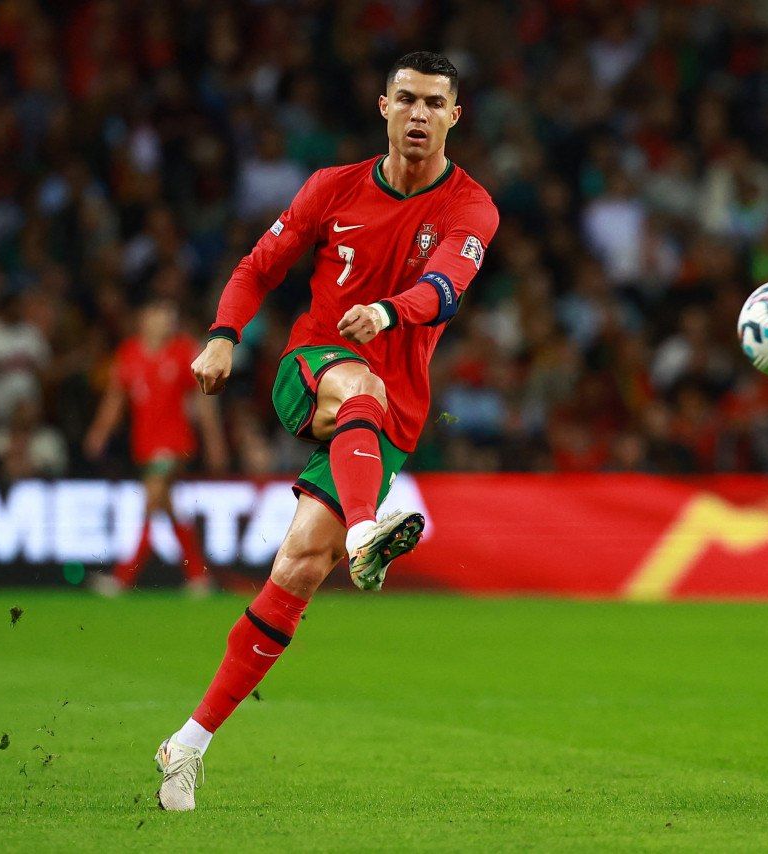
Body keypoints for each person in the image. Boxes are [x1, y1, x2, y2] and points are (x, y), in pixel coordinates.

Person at [153, 52, 499, 810]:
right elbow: (258, 266)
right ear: (382, 106)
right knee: (359, 385)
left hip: (394, 414)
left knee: (299, 567)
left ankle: (188, 744)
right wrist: (222, 335)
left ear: (453, 116)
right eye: (405, 99)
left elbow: (445, 287)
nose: (417, 114)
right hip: (313, 367)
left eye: (432, 103)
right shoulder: (331, 188)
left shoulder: (472, 206)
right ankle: (368, 531)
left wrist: (389, 311)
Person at [84, 296, 228, 596]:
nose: (166, 322)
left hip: (176, 444)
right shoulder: (129, 353)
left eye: (169, 317)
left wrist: (214, 441)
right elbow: (115, 398)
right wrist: (99, 432)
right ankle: (198, 577)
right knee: (166, 508)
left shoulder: (183, 350)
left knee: (151, 503)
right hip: (145, 445)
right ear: (144, 319)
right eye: (160, 316)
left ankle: (123, 579)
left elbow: (203, 402)